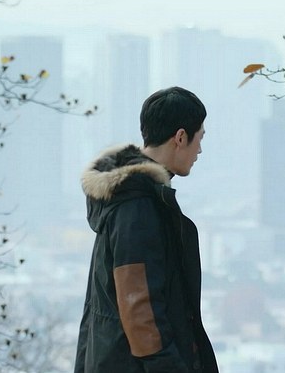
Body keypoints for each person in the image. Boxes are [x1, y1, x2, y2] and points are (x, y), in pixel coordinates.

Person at [74, 87, 218, 373]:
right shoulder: (137, 208)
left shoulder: (131, 199)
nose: (200, 151)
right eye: (199, 138)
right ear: (180, 137)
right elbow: (139, 309)